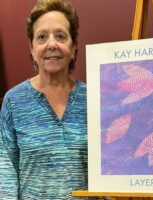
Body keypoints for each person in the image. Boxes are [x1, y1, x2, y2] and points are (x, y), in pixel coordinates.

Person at [0, 0, 88, 199]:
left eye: (60, 36)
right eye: (41, 37)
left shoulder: (94, 99)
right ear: (31, 48)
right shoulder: (14, 101)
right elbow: (5, 170)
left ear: (74, 47)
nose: (51, 44)